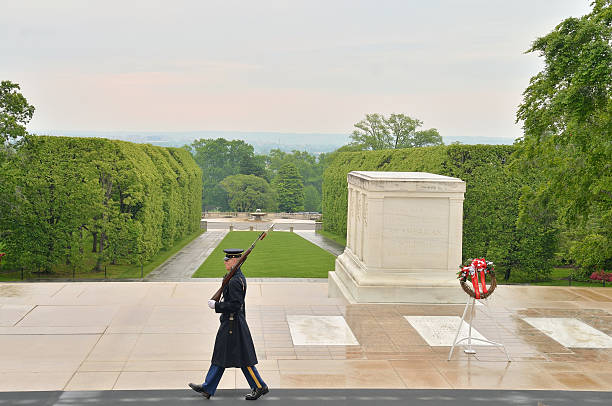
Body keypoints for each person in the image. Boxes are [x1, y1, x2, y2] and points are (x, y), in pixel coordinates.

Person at [189, 248, 269, 400]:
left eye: (228, 259)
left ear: (235, 261)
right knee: (221, 355)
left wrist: (217, 306)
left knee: (244, 358)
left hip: (233, 324)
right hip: (231, 322)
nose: (225, 261)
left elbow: (236, 305)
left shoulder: (234, 281)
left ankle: (259, 386)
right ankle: (208, 387)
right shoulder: (234, 278)